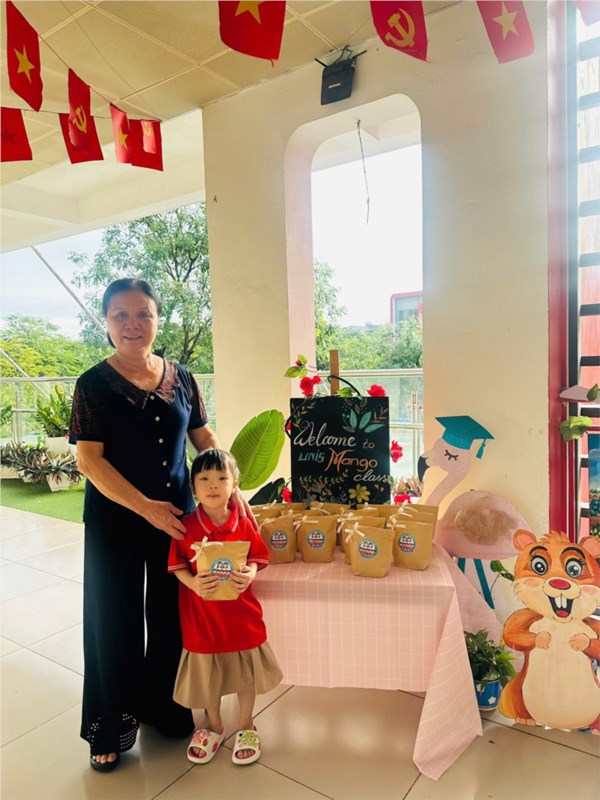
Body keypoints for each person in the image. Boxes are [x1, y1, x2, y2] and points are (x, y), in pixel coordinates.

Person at [69, 278, 252, 772]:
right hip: (115, 519)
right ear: (107, 323)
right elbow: (89, 460)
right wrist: (144, 506)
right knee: (115, 620)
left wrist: (232, 484)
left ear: (157, 320)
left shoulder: (182, 377)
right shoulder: (92, 384)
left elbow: (204, 437)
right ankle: (109, 727)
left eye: (143, 314)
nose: (132, 324)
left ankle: (166, 707)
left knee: (172, 616)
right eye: (120, 315)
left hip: (178, 521)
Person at [168, 448, 282, 766]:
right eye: (204, 478)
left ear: (234, 485)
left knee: (246, 673)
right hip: (202, 617)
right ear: (193, 487)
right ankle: (213, 724)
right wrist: (193, 584)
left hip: (240, 615)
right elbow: (178, 566)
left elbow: (257, 557)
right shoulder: (186, 527)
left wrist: (250, 573)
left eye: (222, 478)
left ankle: (246, 724)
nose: (213, 485)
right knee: (210, 675)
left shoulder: (243, 523)